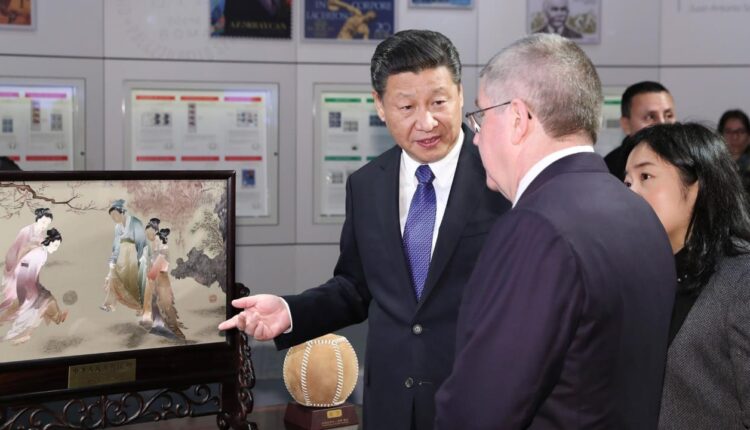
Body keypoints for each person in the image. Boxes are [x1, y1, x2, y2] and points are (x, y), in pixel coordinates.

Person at [219, 29, 510, 430]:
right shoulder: (367, 184)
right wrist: (289, 311)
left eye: (439, 102)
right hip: (390, 404)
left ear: (461, 94)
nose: (426, 122)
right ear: (380, 106)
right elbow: (355, 288)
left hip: (480, 402)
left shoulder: (503, 176)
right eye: (406, 106)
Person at [434, 34, 676, 429]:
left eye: (480, 117)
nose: (475, 137)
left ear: (517, 118)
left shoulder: (536, 227)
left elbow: (481, 408)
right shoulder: (637, 211)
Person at [623, 123, 750, 429]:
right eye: (626, 182)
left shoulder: (741, 278)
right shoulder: (641, 276)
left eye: (646, 177)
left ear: (696, 186)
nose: (630, 193)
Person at [2, 228, 66, 345]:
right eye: (55, 245)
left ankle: (55, 318)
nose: (56, 248)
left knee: (45, 302)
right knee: (41, 304)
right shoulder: (40, 254)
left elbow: (26, 261)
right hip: (26, 284)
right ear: (50, 242)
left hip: (28, 282)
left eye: (58, 246)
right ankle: (27, 334)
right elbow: (27, 269)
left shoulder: (41, 251)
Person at [604, 81, 677, 180]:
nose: (662, 123)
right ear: (626, 125)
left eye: (669, 115)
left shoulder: (689, 161)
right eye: (650, 117)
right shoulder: (610, 170)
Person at [0, 208, 53, 317]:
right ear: (38, 219)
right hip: (19, 265)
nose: (45, 225)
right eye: (43, 222)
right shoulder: (26, 231)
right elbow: (17, 249)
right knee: (12, 297)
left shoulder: (42, 236)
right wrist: (15, 266)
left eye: (47, 224)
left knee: (22, 297)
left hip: (29, 269)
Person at [101, 199, 147, 315]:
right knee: (113, 277)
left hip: (134, 255)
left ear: (122, 212)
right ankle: (109, 304)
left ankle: (140, 306)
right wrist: (113, 259)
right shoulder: (118, 227)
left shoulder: (135, 223)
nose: (114, 218)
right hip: (122, 256)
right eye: (112, 216)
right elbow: (116, 245)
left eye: (115, 215)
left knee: (133, 284)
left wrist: (140, 259)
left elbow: (141, 242)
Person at [142, 218, 185, 340]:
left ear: (154, 231)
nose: (148, 236)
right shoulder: (155, 243)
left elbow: (162, 261)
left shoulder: (160, 243)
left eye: (149, 233)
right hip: (156, 275)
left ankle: (175, 329)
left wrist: (151, 276)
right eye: (147, 234)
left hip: (160, 276)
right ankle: (159, 324)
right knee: (155, 301)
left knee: (165, 303)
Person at [717, 109, 750, 193]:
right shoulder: (712, 167)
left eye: (741, 131)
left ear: (749, 137)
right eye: (728, 132)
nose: (735, 137)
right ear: (720, 136)